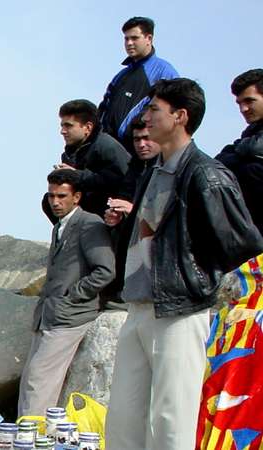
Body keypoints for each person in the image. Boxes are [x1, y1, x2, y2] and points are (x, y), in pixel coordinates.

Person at [105, 78, 263, 450]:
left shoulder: (207, 174)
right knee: (124, 419)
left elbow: (243, 243)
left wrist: (200, 281)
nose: (146, 117)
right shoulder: (153, 170)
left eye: (154, 109)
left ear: (179, 116)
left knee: (171, 419)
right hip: (140, 305)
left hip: (180, 309)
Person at [19, 169, 115, 417]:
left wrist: (73, 294)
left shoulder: (89, 224)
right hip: (49, 315)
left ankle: (31, 438)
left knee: (38, 380)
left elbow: (105, 270)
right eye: (51, 196)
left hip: (70, 317)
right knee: (31, 378)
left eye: (62, 196)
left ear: (77, 197)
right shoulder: (61, 225)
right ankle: (28, 434)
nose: (55, 202)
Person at [98, 17, 178, 152]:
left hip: (140, 151)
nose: (129, 43)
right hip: (109, 151)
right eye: (126, 39)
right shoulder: (120, 76)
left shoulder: (164, 71)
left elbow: (170, 115)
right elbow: (103, 109)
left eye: (134, 38)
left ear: (149, 38)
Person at [42, 99, 130, 222]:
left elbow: (123, 181)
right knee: (50, 199)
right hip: (85, 213)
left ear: (88, 127)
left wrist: (77, 175)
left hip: (110, 217)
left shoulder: (107, 146)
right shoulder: (70, 153)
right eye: (62, 126)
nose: (62, 131)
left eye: (68, 126)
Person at [216, 69, 263, 234]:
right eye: (239, 103)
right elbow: (221, 160)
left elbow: (254, 149)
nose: (243, 109)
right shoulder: (251, 131)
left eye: (250, 101)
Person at [104, 117, 161, 224]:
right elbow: (124, 197)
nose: (141, 145)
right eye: (137, 139)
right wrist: (117, 215)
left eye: (146, 138)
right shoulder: (134, 166)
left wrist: (134, 211)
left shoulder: (169, 168)